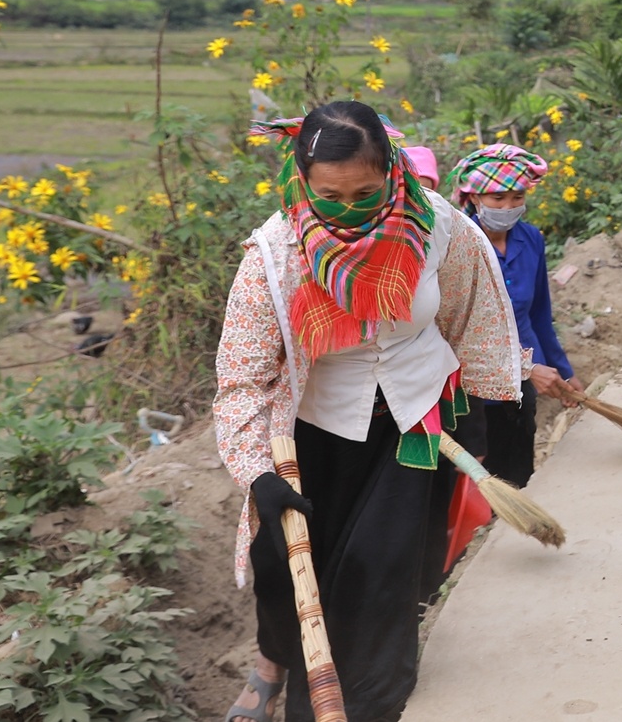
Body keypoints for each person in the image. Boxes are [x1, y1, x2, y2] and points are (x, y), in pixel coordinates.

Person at [215, 101, 520, 722]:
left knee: (378, 582)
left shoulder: (440, 228)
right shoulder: (275, 255)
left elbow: (471, 319)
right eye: (330, 195)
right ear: (303, 180)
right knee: (290, 578)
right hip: (313, 435)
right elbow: (242, 380)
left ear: (391, 170)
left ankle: (357, 708)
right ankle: (276, 661)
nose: (348, 210)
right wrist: (259, 475)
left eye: (365, 192)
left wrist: (481, 418)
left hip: (411, 428)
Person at [446, 142, 582, 489]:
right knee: (474, 478)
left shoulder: (531, 239)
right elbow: (459, 329)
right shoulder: (458, 243)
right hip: (471, 388)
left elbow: (539, 314)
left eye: (517, 197)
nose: (508, 206)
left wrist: (563, 371)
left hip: (524, 384)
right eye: (497, 198)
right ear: (474, 198)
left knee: (518, 467)